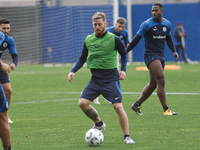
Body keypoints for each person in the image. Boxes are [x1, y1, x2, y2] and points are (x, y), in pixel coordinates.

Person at [68, 12, 134, 144]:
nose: (97, 27)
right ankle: (98, 123)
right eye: (95, 25)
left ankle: (127, 136)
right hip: (95, 79)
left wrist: (123, 70)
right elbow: (82, 58)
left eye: (99, 24)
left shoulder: (114, 39)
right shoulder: (89, 39)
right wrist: (73, 71)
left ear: (105, 24)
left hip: (111, 79)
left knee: (118, 107)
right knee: (82, 103)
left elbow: (124, 53)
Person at [126, 3, 179, 115]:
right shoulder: (146, 24)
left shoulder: (167, 24)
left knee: (153, 84)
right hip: (150, 55)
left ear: (162, 11)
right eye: (152, 11)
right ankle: (166, 109)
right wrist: (125, 52)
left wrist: (174, 51)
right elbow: (136, 40)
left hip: (161, 56)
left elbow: (168, 39)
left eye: (156, 10)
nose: (154, 12)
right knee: (161, 79)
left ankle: (137, 104)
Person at [93, 17, 130, 105]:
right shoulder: (108, 31)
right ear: (115, 24)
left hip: (114, 55)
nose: (121, 29)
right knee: (102, 76)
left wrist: (122, 55)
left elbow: (127, 45)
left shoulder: (125, 32)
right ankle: (96, 95)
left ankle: (108, 97)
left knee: (113, 75)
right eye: (119, 26)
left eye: (123, 27)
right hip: (104, 56)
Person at [0, 18, 19, 123]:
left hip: (0, 66)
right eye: (3, 28)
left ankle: (5, 115)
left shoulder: (9, 40)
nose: (6, 31)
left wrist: (14, 64)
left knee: (8, 90)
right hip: (1, 65)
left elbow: (15, 55)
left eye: (8, 28)